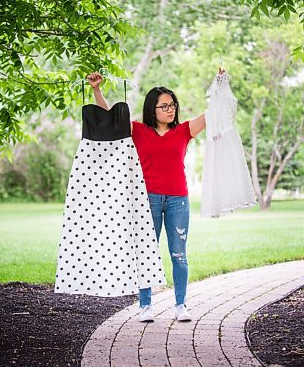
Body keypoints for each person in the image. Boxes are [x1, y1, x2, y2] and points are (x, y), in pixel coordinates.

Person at [87, 69, 224, 322]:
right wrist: (97, 89)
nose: (170, 109)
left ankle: (181, 305)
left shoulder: (183, 131)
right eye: (164, 106)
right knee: (145, 253)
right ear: (153, 109)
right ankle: (145, 306)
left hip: (178, 201)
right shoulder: (137, 130)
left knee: (179, 254)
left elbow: (212, 113)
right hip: (146, 199)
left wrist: (219, 85)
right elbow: (108, 116)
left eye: (172, 105)